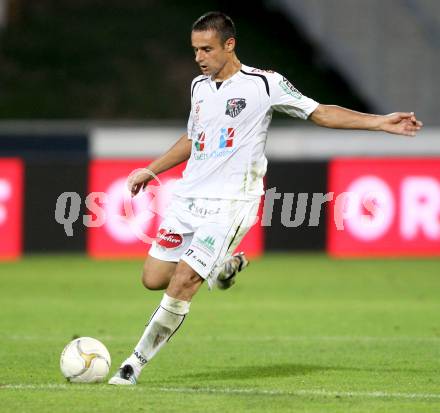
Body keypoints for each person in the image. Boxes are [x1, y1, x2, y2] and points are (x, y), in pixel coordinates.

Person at [108, 11, 423, 385]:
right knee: (153, 277)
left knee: (184, 282)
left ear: (230, 45)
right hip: (188, 200)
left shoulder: (265, 83)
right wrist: (152, 169)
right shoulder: (199, 87)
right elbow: (193, 140)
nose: (199, 57)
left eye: (206, 49)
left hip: (231, 204)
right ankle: (221, 267)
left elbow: (319, 112)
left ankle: (134, 364)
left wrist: (379, 122)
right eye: (195, 50)